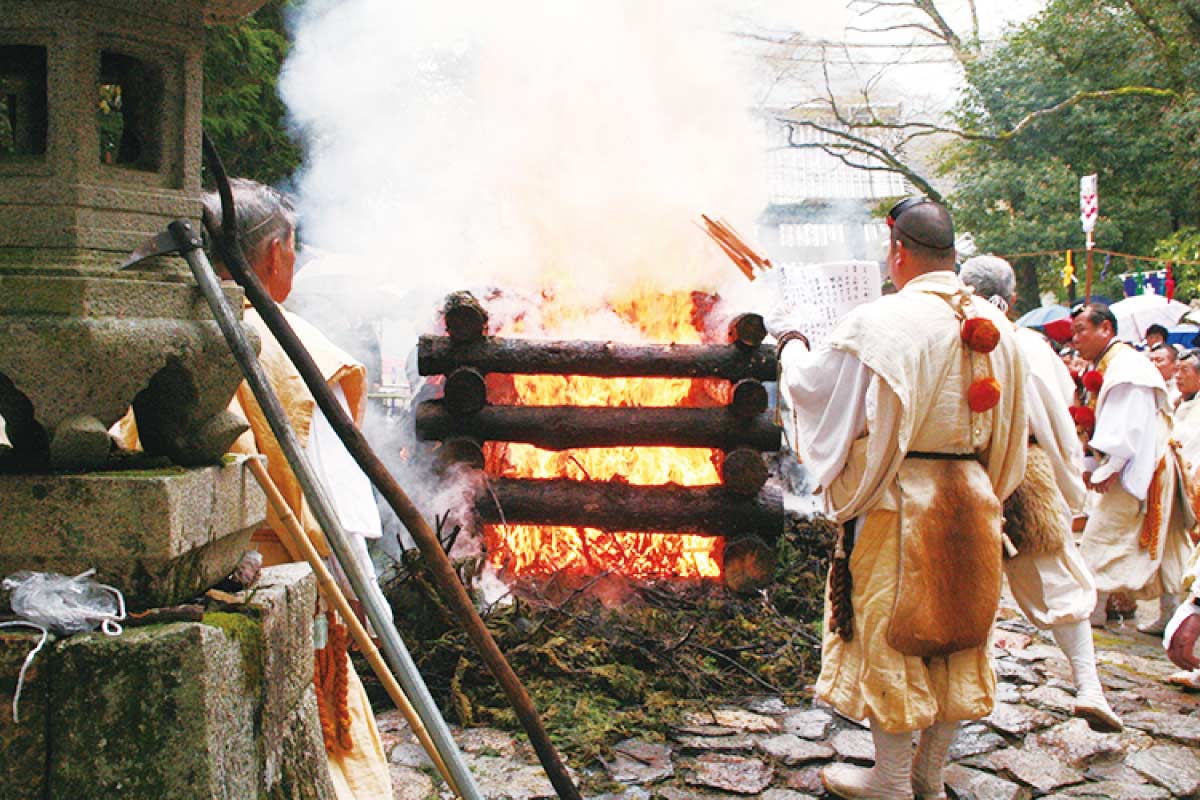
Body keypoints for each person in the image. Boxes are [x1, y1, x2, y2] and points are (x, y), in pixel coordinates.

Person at [772, 198, 1027, 800]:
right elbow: (1015, 427)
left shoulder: (883, 320)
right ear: (953, 255)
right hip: (973, 496)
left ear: (897, 253)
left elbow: (812, 388)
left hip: (898, 503)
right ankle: (928, 777)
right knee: (960, 637)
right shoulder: (1002, 328)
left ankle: (890, 780)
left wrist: (790, 344)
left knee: (891, 632)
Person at [207, 180, 393, 799]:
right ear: (270, 256)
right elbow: (336, 514)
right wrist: (369, 605)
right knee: (323, 753)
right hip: (291, 592)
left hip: (201, 595)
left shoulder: (178, 334)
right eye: (291, 246)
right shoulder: (301, 357)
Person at [959, 256, 1121, 732]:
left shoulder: (945, 338)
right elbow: (1058, 420)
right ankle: (1087, 683)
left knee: (962, 591)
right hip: (1017, 469)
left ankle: (961, 700)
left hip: (958, 475)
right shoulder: (1027, 345)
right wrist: (1071, 480)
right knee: (1056, 581)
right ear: (1010, 301)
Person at [1070, 304, 1193, 636]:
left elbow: (1128, 426)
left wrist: (1110, 467)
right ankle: (1169, 611)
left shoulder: (1128, 368)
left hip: (1141, 464)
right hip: (1143, 461)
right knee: (1163, 542)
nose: (1075, 339)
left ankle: (1094, 608)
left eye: (1082, 330)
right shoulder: (1108, 364)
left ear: (1106, 329)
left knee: (1104, 532)